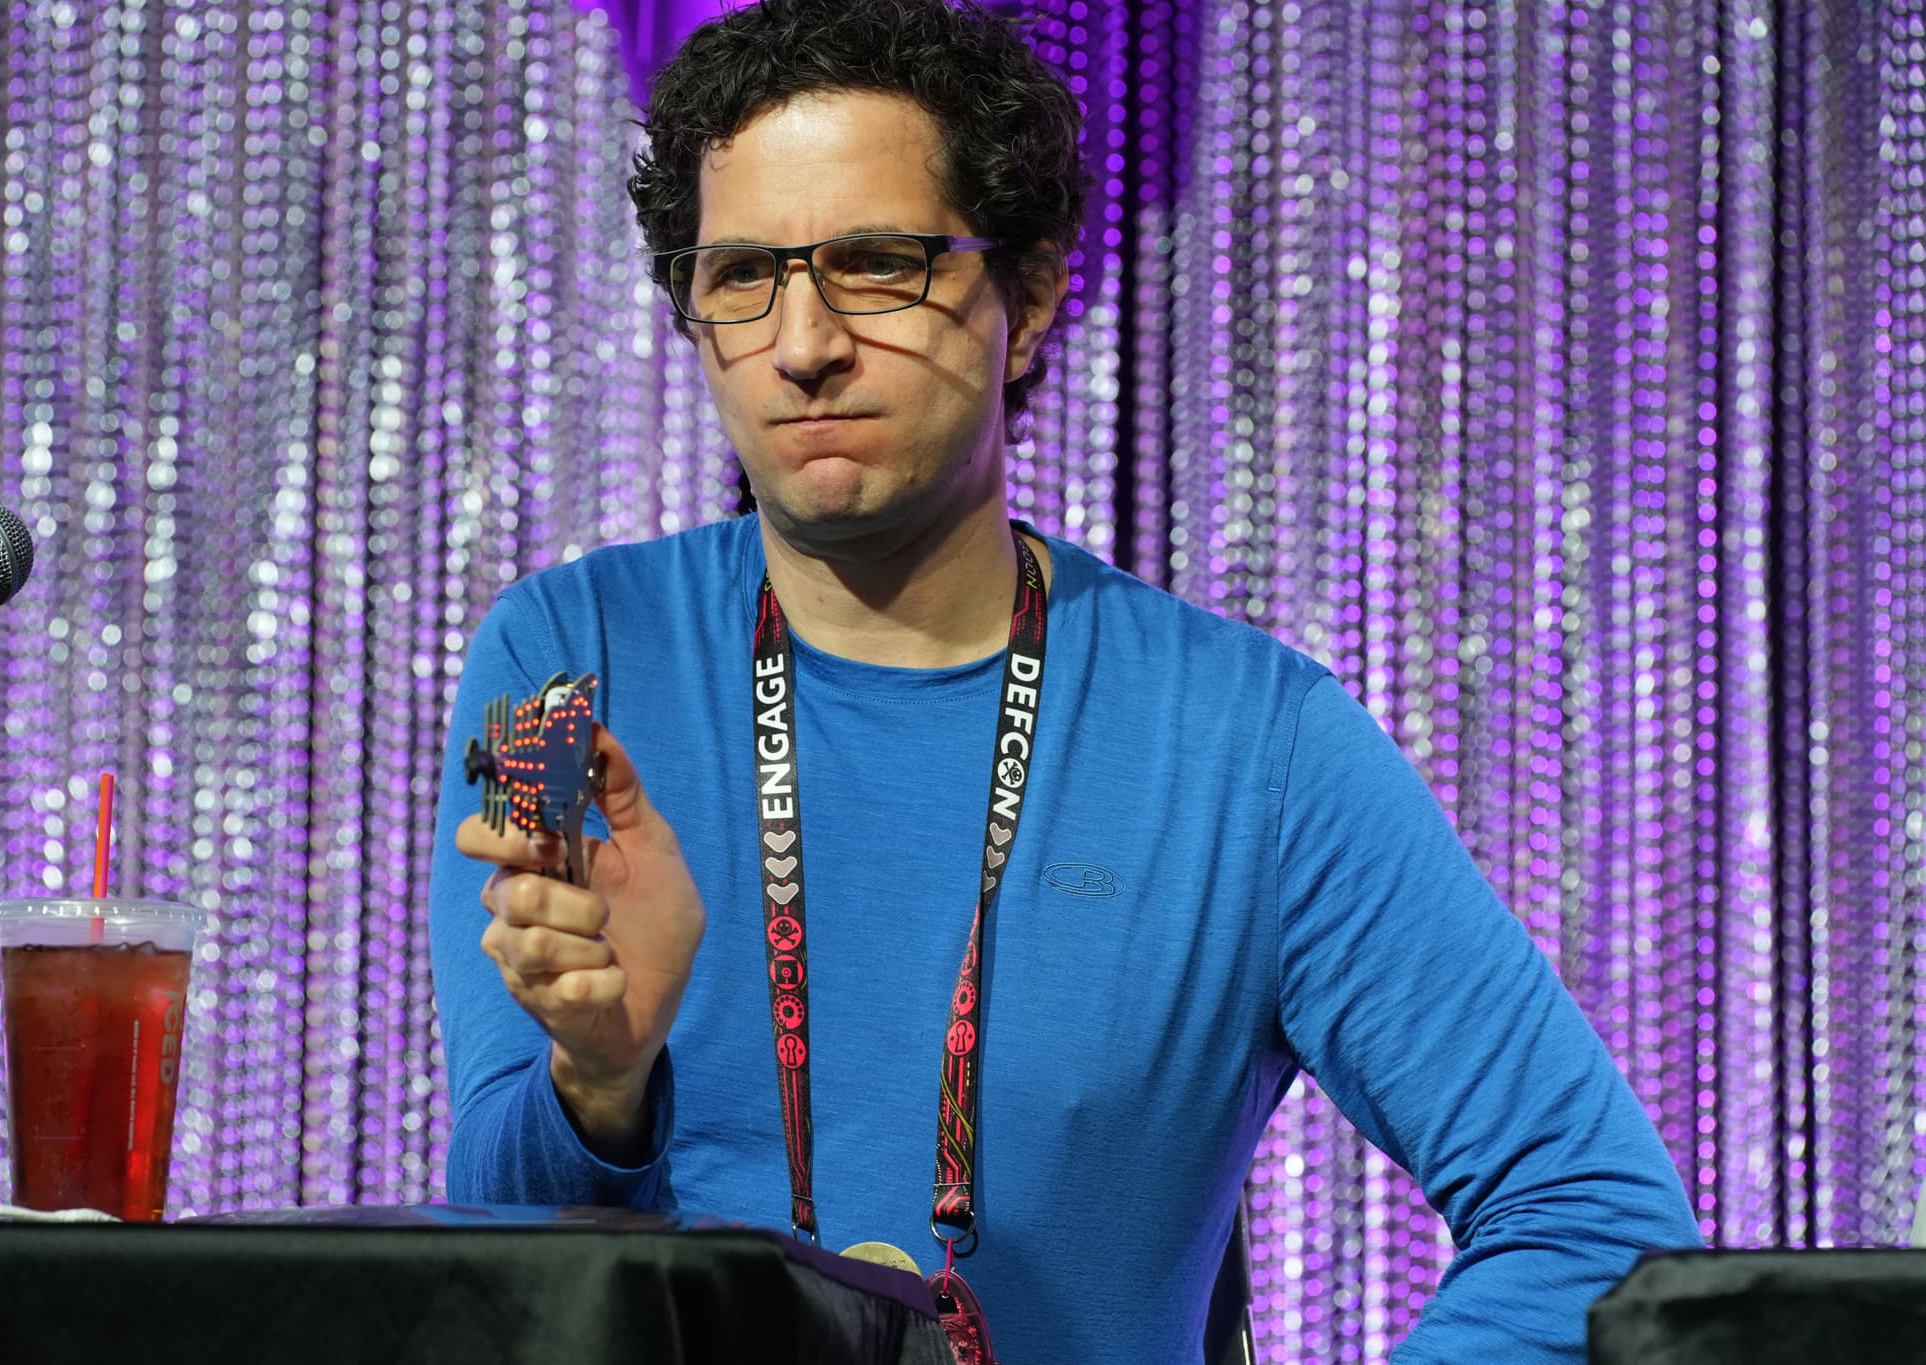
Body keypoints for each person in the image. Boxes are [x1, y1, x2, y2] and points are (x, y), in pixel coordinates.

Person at [427, 1, 1702, 1360]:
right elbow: (502, 1273)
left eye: (875, 265)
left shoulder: (1243, 741)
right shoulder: (576, 656)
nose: (800, 343)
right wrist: (601, 1078)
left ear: (1028, 300)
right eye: (743, 276)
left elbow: (1595, 1220)